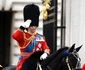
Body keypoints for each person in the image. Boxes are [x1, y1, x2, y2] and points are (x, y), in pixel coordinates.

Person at [12, 4, 51, 70]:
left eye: (35, 25)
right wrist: (22, 27)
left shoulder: (41, 37)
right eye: (32, 25)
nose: (33, 26)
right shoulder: (23, 35)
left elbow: (46, 48)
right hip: (25, 63)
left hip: (38, 63)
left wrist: (45, 53)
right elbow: (15, 36)